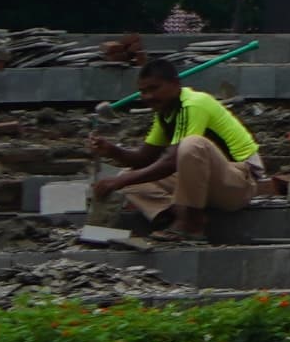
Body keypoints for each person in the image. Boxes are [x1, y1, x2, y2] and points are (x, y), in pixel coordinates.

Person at [96, 53, 264, 237]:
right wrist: (111, 151)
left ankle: (191, 224)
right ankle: (175, 216)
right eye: (143, 91)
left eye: (154, 88)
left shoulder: (193, 104)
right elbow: (144, 159)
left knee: (192, 145)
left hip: (240, 181)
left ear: (175, 84)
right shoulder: (165, 113)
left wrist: (119, 181)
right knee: (128, 178)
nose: (148, 96)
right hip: (205, 184)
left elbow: (172, 160)